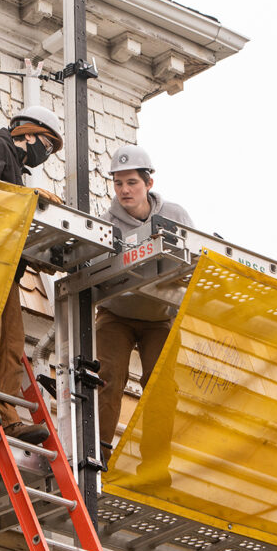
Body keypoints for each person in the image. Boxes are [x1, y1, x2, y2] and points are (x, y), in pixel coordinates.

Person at [0, 106, 64, 443]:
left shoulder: (18, 168)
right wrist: (25, 198)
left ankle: (7, 415)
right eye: (47, 145)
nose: (45, 155)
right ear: (29, 133)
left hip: (7, 266)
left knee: (12, 342)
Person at [96, 145, 193, 462]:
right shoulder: (104, 224)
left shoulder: (175, 216)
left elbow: (194, 262)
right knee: (106, 375)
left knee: (162, 387)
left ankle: (155, 467)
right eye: (118, 183)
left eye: (132, 183)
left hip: (160, 316)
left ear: (148, 184)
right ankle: (98, 456)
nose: (124, 190)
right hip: (117, 314)